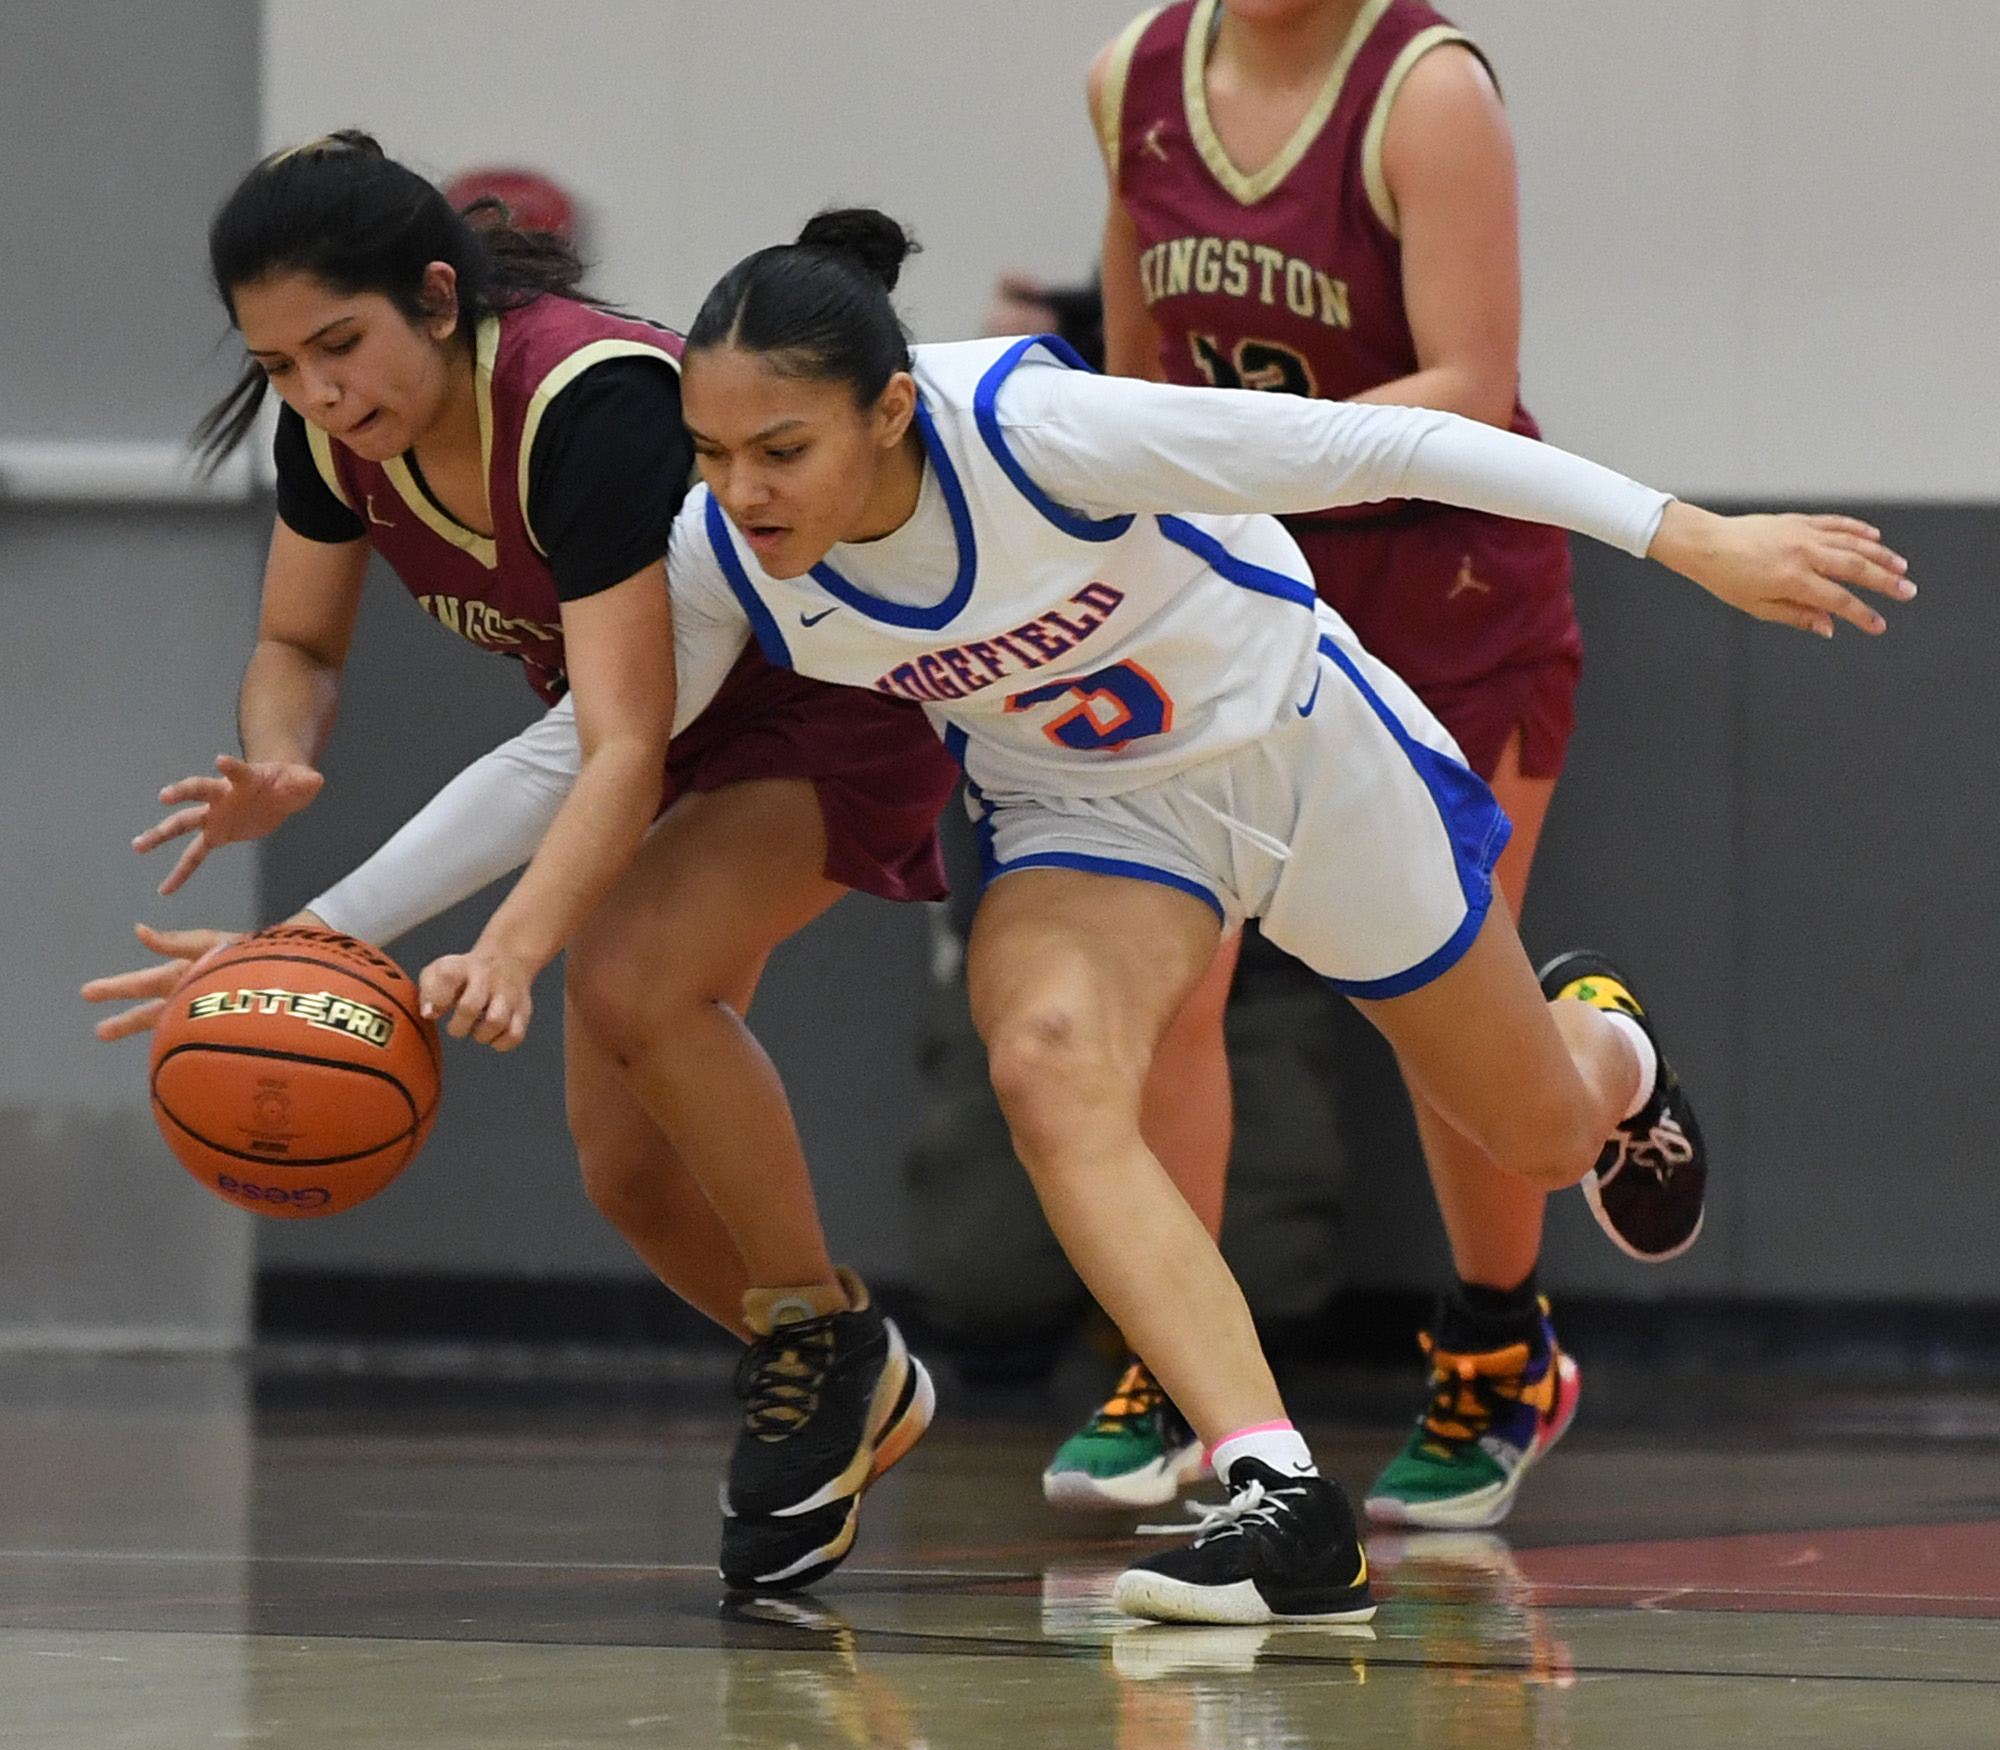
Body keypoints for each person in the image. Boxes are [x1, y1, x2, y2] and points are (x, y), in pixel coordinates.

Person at [302, 206, 1901, 1621]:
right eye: (714, 454)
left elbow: (1385, 450)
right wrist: (332, 931)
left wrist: (1691, 535)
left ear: (889, 412)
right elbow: (584, 745)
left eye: (780, 449)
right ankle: (1278, 1492)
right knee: (1049, 1058)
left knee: (1540, 1137)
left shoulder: (1038, 428)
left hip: (1301, 749)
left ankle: (1607, 1049)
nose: (741, 487)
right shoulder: (730, 551)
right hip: (1092, 822)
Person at [88, 135, 962, 1594]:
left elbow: (617, 744)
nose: (316, 391)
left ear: (438, 297)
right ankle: (838, 1365)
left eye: (339, 347)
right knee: (624, 1170)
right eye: (281, 363)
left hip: (824, 698)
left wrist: (404, 938)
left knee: (630, 973)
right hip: (646, 732)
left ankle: (824, 1337)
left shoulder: (588, 406)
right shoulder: (335, 433)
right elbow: (296, 643)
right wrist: (282, 751)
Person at [1043, 0, 1662, 1528]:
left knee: (1439, 1004)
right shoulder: (1135, 72)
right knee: (1175, 981)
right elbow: (1138, 379)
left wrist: (1238, 456)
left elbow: (1467, 377)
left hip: (1444, 591)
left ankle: (1500, 1346)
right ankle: (1181, 1365)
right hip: (1240, 593)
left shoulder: (1427, 89)